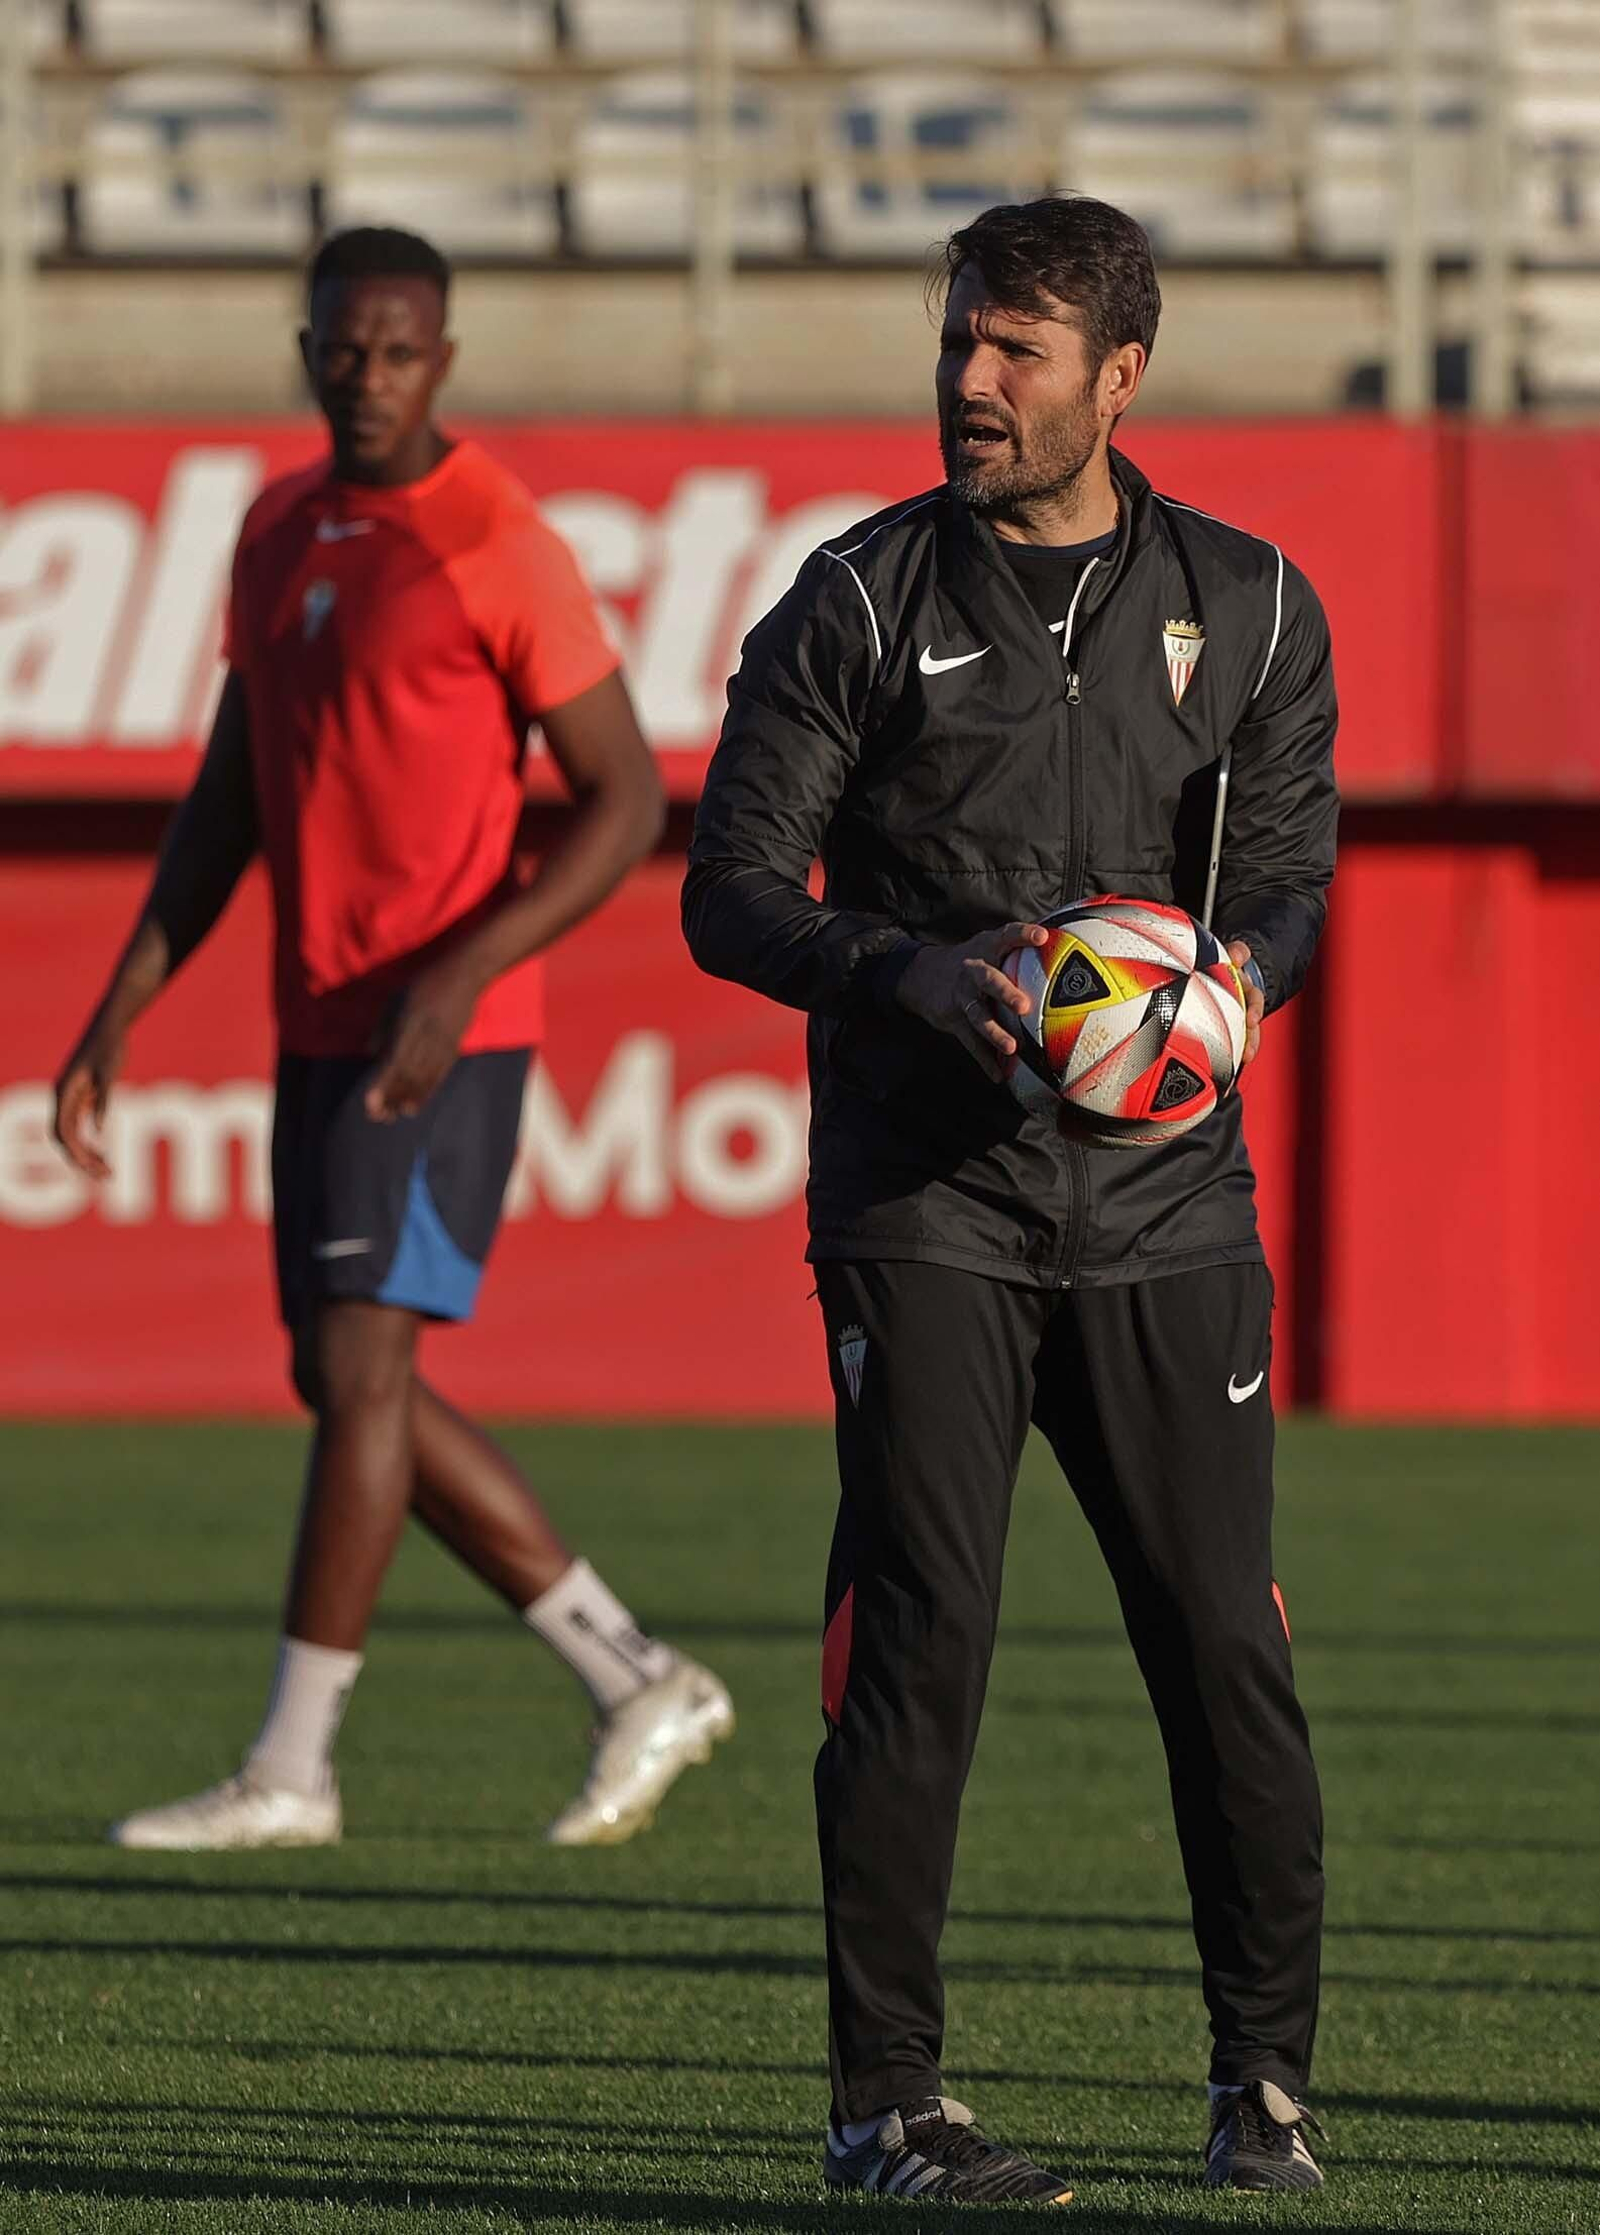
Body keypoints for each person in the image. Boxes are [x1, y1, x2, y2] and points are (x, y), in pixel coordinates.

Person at [683, 195, 1337, 2201]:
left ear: (1114, 377)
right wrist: (908, 972)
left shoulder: (1249, 603)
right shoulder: (855, 598)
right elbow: (733, 893)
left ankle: (1261, 2087)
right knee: (921, 1641)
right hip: (923, 1206)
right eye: (957, 336)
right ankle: (886, 2105)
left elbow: (1287, 889)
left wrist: (1222, 992)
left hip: (1164, 1217)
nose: (966, 378)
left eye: (1013, 351)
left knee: (1222, 1644)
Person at [54, 227, 733, 1854]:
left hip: (444, 1033)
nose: (369, 375)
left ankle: (294, 1766)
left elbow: (630, 799)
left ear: (445, 356)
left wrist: (461, 973)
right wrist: (118, 1008)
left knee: (362, 1369)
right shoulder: (278, 527)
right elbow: (233, 793)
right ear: (308, 355)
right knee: (340, 1374)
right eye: (343, 349)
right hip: (319, 1016)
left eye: (400, 349)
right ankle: (633, 1672)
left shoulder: (498, 542)